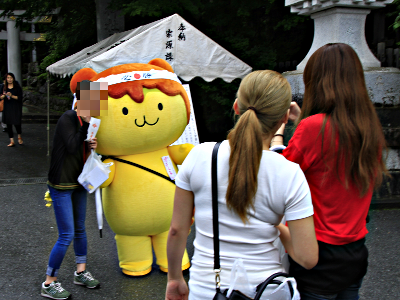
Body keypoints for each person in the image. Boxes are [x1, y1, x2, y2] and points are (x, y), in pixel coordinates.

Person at [165, 70, 318, 300]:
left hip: (207, 290)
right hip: (266, 290)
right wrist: (276, 227)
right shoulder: (289, 173)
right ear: (284, 118)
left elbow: (177, 230)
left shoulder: (200, 156)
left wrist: (175, 278)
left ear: (236, 107)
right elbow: (307, 258)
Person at [271, 43, 388, 300]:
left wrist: (279, 130)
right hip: (355, 253)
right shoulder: (368, 128)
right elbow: (330, 151)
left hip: (318, 252)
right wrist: (302, 121)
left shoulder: (313, 129)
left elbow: (280, 172)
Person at [41, 82, 100, 300]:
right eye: (93, 102)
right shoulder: (68, 117)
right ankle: (49, 282)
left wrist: (91, 144)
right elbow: (72, 145)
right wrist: (85, 126)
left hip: (79, 183)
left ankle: (81, 272)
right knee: (66, 234)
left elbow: (81, 149)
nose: (95, 107)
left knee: (80, 229)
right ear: (81, 101)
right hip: (61, 184)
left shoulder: (89, 122)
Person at [0, 73, 23, 146]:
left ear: (13, 78)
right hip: (7, 107)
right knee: (8, 124)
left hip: (16, 107)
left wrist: (11, 95)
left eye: (11, 78)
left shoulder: (17, 87)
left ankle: (19, 136)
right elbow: (0, 97)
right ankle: (11, 141)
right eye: (8, 78)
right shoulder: (3, 87)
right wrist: (3, 96)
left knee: (17, 123)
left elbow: (20, 98)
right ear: (6, 79)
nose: (9, 79)